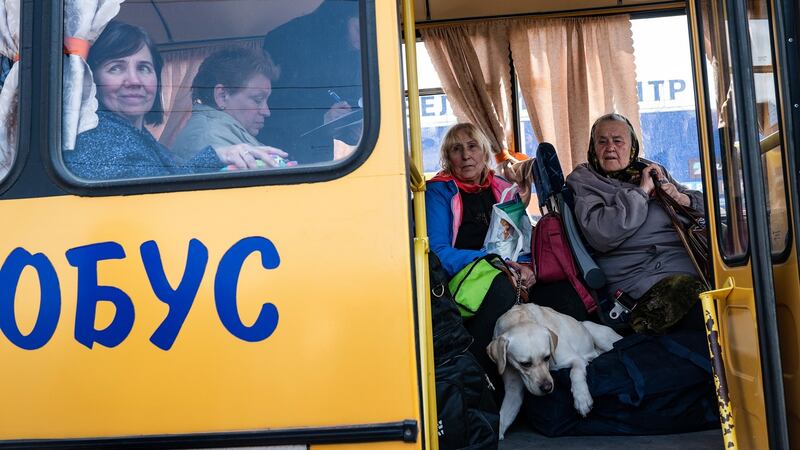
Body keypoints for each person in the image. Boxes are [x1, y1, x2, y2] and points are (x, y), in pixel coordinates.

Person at [63, 21, 284, 180]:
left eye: (143, 68)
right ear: (91, 79)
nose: (134, 81)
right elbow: (158, 197)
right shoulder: (100, 143)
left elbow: (166, 176)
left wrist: (219, 155)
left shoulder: (134, 135)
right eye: (116, 68)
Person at [565, 113, 706, 333]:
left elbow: (704, 206)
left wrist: (681, 198)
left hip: (691, 259)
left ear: (633, 146)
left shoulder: (649, 169)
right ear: (593, 147)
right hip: (643, 276)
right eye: (602, 141)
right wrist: (641, 193)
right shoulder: (584, 180)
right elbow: (602, 233)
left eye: (618, 141)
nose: (610, 147)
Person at [426, 123, 535, 386]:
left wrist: (526, 267)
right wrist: (491, 261)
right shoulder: (438, 192)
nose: (466, 155)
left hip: (505, 270)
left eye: (472, 146)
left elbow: (523, 241)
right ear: (447, 158)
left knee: (556, 291)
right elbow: (438, 253)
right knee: (501, 288)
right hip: (460, 278)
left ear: (484, 152)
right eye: (456, 149)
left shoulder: (505, 188)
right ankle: (482, 383)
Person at [258, 0, 362, 164]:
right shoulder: (285, 39)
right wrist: (321, 120)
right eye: (358, 30)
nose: (360, 43)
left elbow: (350, 101)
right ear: (341, 19)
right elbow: (268, 109)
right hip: (277, 154)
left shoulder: (354, 53)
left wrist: (352, 129)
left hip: (320, 155)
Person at [171, 47, 290, 168]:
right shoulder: (211, 139)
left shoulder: (220, 135)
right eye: (257, 100)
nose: (267, 112)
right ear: (222, 96)